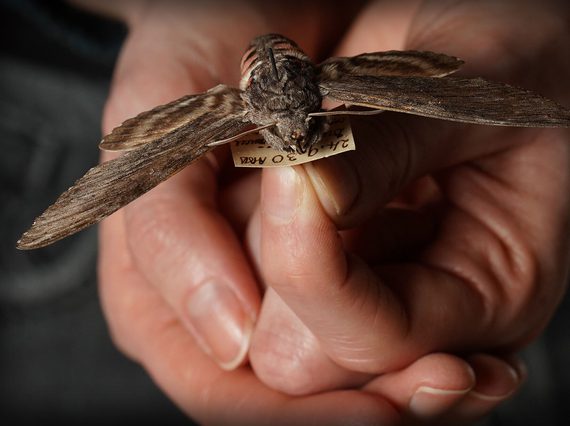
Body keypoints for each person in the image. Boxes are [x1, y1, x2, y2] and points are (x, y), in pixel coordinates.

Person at [72, 0, 570, 424]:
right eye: (283, 129)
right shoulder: (239, 111)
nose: (294, 135)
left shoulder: (326, 93)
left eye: (304, 124)